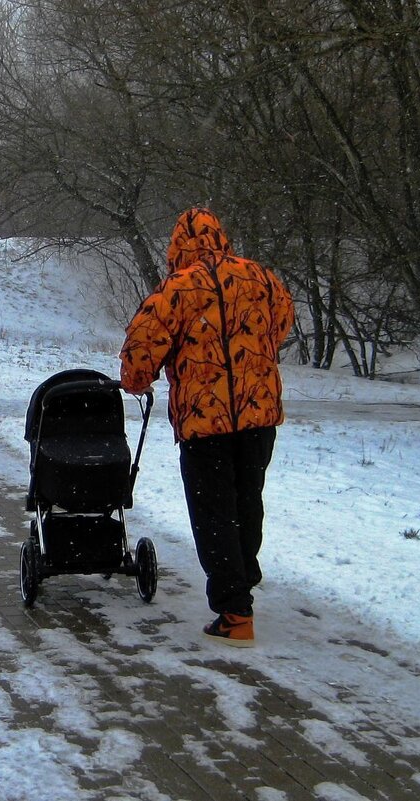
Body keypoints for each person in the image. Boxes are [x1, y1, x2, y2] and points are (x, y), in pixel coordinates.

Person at [120, 207, 294, 647]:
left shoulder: (176, 290)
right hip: (259, 416)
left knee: (214, 513)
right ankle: (242, 582)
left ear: (177, 247)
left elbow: (140, 353)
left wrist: (138, 381)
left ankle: (235, 611)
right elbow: (281, 325)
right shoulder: (261, 278)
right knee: (246, 501)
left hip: (205, 422)